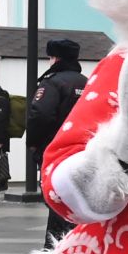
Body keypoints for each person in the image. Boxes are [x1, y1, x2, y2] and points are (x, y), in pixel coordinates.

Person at [26, 38, 88, 243]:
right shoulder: (86, 82)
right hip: (84, 154)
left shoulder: (52, 83)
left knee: (57, 202)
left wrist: (34, 144)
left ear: (55, 58)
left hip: (57, 153)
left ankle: (55, 251)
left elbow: (39, 115)